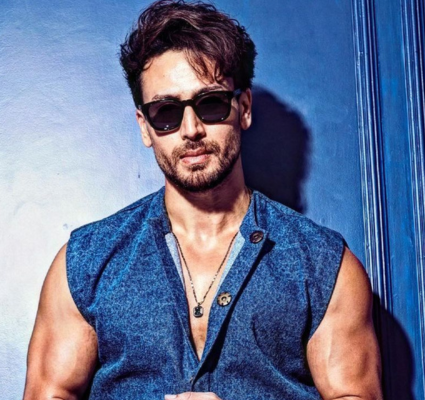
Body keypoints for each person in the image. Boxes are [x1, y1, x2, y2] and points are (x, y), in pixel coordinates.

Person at [23, 1, 382, 399]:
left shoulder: (322, 264)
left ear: (243, 108)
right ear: (144, 126)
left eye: (210, 104)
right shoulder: (87, 262)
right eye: (166, 111)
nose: (191, 129)